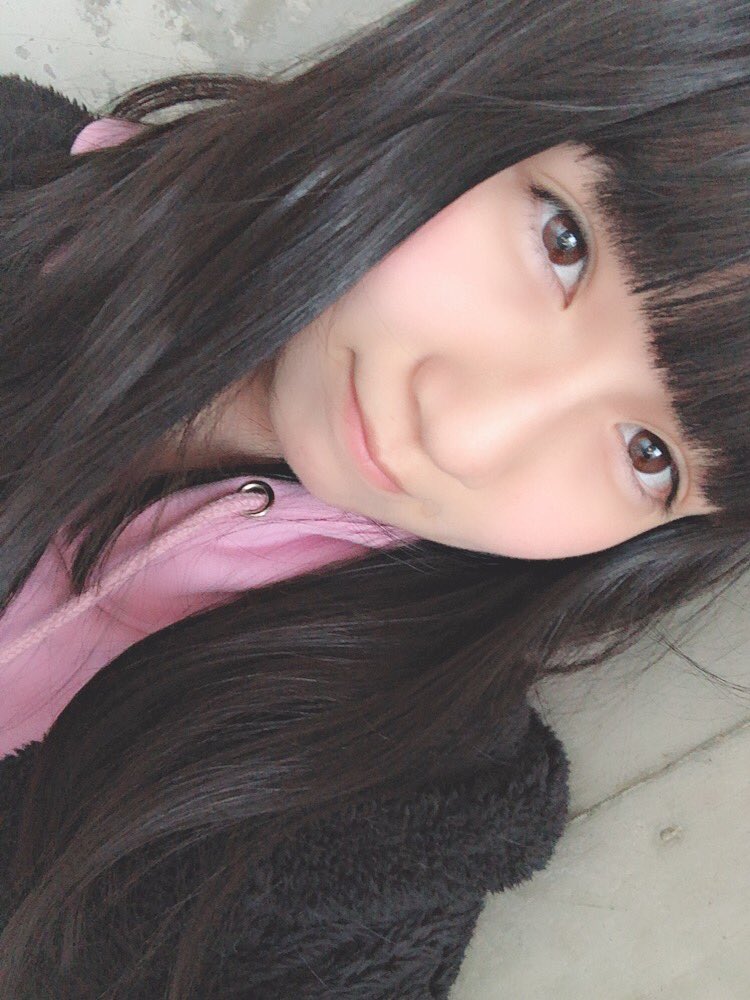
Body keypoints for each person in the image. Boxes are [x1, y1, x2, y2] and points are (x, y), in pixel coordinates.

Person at [0, 0, 747, 995]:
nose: (466, 433)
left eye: (650, 455)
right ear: (487, 71)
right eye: (564, 241)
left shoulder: (393, 819)